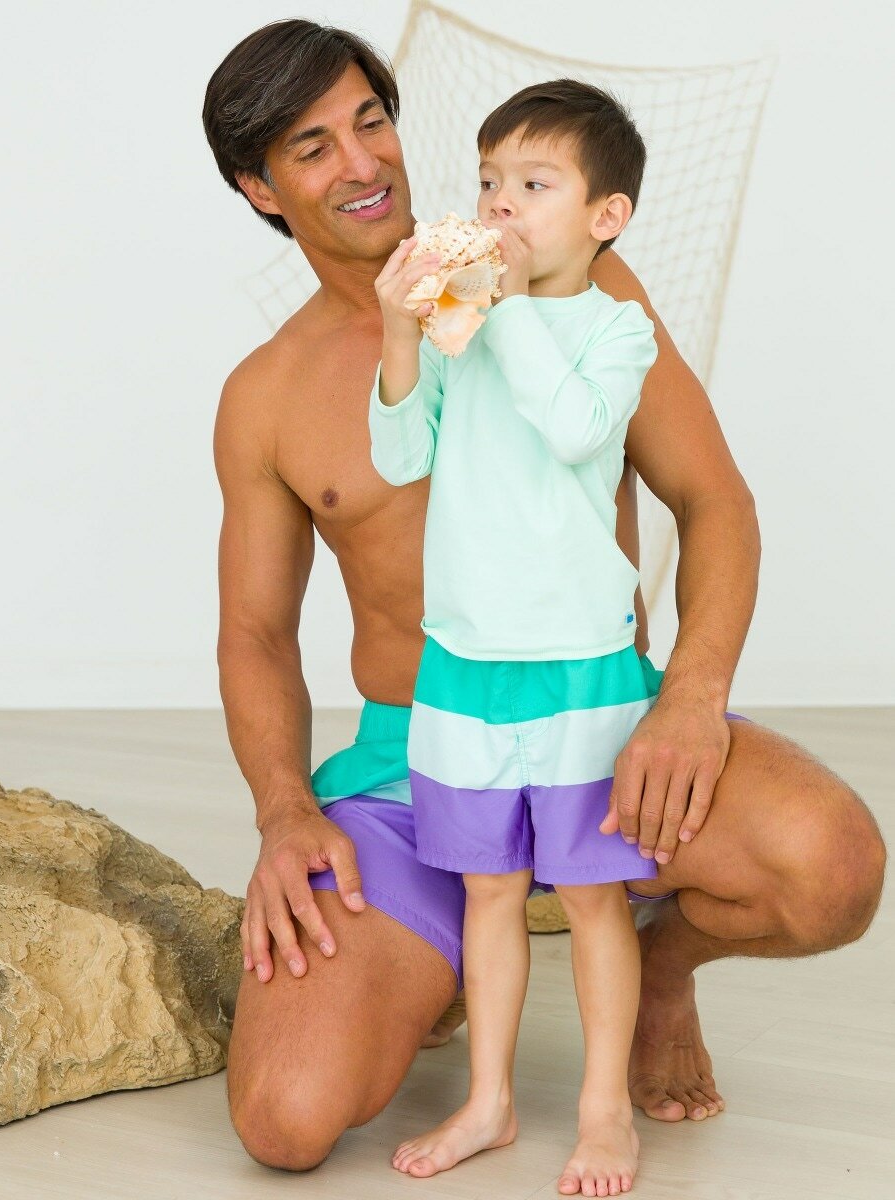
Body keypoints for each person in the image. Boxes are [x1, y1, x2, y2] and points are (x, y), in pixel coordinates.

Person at [201, 18, 886, 1182]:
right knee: (286, 1117)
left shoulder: (575, 275)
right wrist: (281, 812)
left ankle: (655, 964)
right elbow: (256, 634)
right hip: (418, 756)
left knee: (832, 869)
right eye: (312, 148)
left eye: (371, 121)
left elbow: (714, 500)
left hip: (598, 723)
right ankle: (446, 962)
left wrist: (692, 700)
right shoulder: (265, 395)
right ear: (258, 187)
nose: (363, 163)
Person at [368, 79, 665, 1192]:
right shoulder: (464, 324)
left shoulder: (618, 329)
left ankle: (603, 1112)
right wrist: (404, 328)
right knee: (489, 889)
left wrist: (498, 312)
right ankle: (488, 1102)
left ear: (606, 216)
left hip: (584, 664)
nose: (499, 204)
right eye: (489, 181)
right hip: (463, 665)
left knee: (591, 896)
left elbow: (579, 428)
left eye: (534, 185)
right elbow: (403, 455)